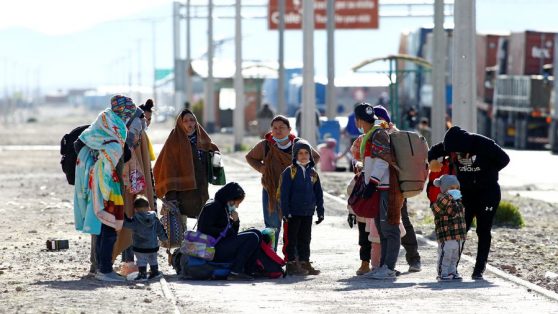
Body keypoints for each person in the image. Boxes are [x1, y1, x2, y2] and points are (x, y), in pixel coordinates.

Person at [428, 126, 510, 280]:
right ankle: (452, 268)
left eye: (456, 152)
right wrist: (432, 160)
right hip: (465, 193)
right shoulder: (451, 145)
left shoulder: (482, 143)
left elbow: (505, 159)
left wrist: (486, 172)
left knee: (483, 230)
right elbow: (433, 151)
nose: (454, 154)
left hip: (488, 192)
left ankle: (479, 269)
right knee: (461, 229)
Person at [74, 95, 136, 282]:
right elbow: (109, 166)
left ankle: (101, 267)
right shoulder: (115, 137)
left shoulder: (99, 126)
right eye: (128, 114)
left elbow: (81, 148)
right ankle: (105, 270)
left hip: (93, 185)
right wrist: (106, 190)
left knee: (102, 227)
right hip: (105, 186)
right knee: (108, 227)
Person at [245, 115, 320, 251]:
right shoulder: (265, 145)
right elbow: (250, 157)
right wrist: (261, 168)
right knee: (272, 227)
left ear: (289, 129)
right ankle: (270, 258)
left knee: (295, 226)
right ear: (271, 130)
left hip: (295, 192)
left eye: (282, 127)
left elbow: (316, 156)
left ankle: (294, 260)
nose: (278, 130)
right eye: (275, 128)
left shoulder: (299, 144)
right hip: (271, 190)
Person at [352, 103, 404, 280]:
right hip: (379, 187)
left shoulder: (377, 133)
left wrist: (372, 183)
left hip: (386, 188)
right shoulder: (374, 132)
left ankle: (389, 268)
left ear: (358, 121)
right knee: (382, 229)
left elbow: (383, 161)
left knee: (390, 228)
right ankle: (383, 266)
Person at [373, 105, 422, 273]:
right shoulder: (373, 134)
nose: (378, 122)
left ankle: (413, 258)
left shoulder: (396, 135)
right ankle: (380, 263)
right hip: (380, 186)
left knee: (402, 221)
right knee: (382, 225)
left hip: (396, 187)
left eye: (380, 119)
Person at [154, 109, 220, 226]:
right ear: (180, 123)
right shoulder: (174, 141)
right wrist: (171, 197)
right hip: (181, 194)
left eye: (192, 120)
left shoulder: (202, 139)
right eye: (185, 121)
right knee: (179, 231)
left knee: (203, 227)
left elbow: (213, 157)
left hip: (200, 190)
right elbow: (168, 169)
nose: (190, 123)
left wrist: (214, 156)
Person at [197, 182, 262, 281]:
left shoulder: (224, 208)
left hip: (221, 244)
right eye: (237, 203)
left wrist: (236, 222)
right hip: (213, 249)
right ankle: (235, 271)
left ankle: (249, 270)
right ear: (230, 199)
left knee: (257, 233)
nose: (237, 206)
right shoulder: (214, 206)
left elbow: (233, 233)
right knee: (252, 236)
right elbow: (203, 229)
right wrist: (224, 231)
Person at [278, 139, 325, 276]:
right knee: (291, 239)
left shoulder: (313, 172)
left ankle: (305, 262)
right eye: (300, 153)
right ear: (295, 155)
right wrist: (285, 212)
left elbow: (318, 193)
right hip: (293, 212)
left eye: (306, 153)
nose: (304, 156)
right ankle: (291, 264)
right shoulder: (289, 172)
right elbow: (284, 194)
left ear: (310, 155)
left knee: (305, 238)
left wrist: (320, 211)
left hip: (307, 212)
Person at [346, 135, 381, 275]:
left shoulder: (378, 176)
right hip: (361, 215)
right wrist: (351, 212)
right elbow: (352, 196)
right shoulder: (357, 179)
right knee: (364, 240)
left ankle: (378, 263)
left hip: (373, 214)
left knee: (377, 239)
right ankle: (365, 263)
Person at [431, 175, 467, 281]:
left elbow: (458, 214)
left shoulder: (458, 201)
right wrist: (449, 197)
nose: (454, 190)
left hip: (458, 234)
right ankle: (443, 273)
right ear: (444, 190)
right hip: (447, 235)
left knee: (455, 255)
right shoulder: (441, 200)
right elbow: (436, 210)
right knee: (445, 254)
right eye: (451, 188)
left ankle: (453, 271)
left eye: (456, 188)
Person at [123, 195, 168, 281]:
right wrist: (164, 239)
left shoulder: (135, 219)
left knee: (141, 261)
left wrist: (123, 215)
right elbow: (160, 230)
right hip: (153, 246)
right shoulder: (154, 218)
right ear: (149, 207)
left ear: (135, 209)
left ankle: (142, 274)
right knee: (153, 259)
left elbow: (126, 224)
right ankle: (155, 272)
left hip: (140, 247)